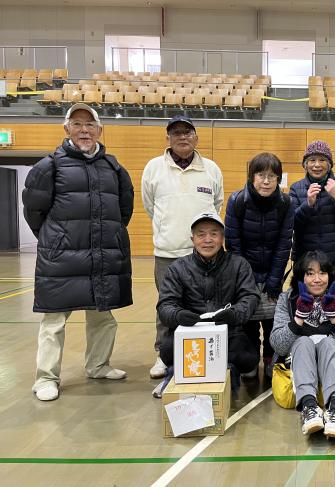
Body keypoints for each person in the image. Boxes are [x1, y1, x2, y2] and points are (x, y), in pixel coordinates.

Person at [22, 103, 134, 401]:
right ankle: (46, 378)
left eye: (90, 124)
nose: (84, 130)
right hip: (61, 259)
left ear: (99, 130)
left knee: (102, 316)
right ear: (66, 129)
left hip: (101, 254)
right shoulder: (49, 166)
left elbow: (124, 210)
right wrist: (56, 240)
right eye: (77, 124)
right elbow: (34, 212)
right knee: (54, 322)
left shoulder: (113, 167)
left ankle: (98, 365)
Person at [142, 115, 224, 380]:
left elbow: (217, 205)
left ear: (196, 137)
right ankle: (162, 355)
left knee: (207, 303)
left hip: (205, 253)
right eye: (176, 132)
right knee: (167, 306)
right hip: (167, 253)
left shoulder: (211, 169)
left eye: (187, 132)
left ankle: (207, 353)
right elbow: (149, 206)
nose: (182, 137)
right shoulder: (153, 168)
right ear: (168, 138)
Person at [155, 212, 260, 395]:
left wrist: (234, 314)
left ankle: (224, 372)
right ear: (192, 239)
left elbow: (250, 297)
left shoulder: (239, 265)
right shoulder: (178, 268)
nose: (208, 240)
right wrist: (178, 316)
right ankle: (179, 375)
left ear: (222, 238)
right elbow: (165, 305)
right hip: (190, 336)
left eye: (214, 234)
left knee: (248, 357)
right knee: (167, 350)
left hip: (228, 334)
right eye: (201, 234)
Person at [270, 250, 335, 439]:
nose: (317, 279)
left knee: (329, 342)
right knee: (303, 341)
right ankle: (309, 407)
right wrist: (298, 319)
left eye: (322, 273)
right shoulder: (287, 299)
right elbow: (278, 345)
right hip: (298, 362)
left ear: (330, 275)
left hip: (332, 361)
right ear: (301, 277)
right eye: (310, 273)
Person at [225, 153, 294, 379]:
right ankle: (251, 361)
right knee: (248, 324)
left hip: (273, 274)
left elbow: (284, 245)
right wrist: (247, 282)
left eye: (272, 176)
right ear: (252, 177)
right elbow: (233, 245)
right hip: (245, 276)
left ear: (278, 179)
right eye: (261, 175)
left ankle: (271, 360)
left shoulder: (286, 203)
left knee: (273, 322)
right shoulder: (237, 201)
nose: (266, 181)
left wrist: (274, 280)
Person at [290, 140, 335, 285]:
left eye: (322, 160)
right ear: (305, 165)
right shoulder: (296, 188)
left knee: (333, 299)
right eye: (312, 160)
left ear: (329, 164)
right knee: (303, 300)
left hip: (333, 256)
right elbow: (292, 223)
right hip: (304, 256)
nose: (317, 165)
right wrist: (308, 204)